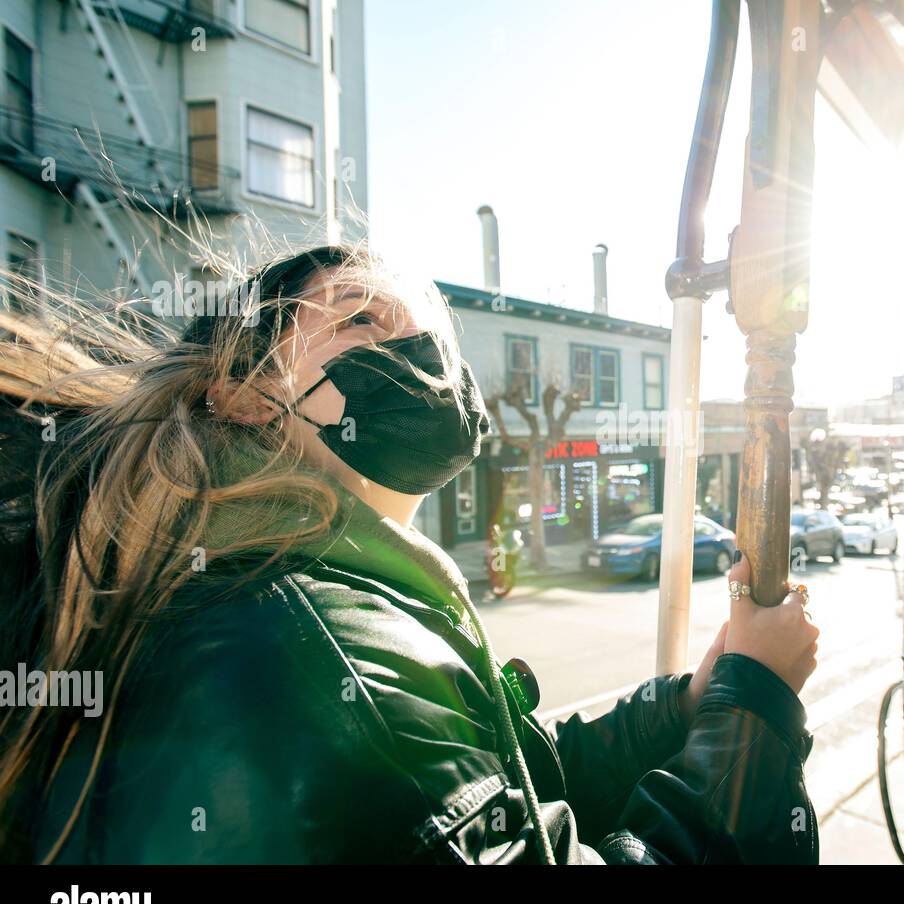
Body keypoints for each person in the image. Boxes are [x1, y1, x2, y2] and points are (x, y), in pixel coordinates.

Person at [0, 245, 820, 864]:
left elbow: (511, 790)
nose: (422, 359)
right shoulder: (318, 646)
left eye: (433, 341)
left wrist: (687, 705)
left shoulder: (290, 586)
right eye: (361, 317)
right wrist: (754, 704)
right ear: (244, 392)